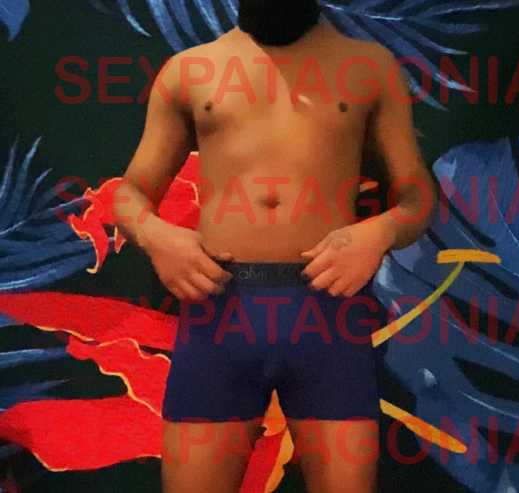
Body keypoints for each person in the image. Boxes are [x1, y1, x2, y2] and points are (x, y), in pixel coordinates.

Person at [113, 0, 436, 491]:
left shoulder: (369, 68)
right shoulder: (190, 71)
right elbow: (131, 191)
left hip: (328, 308)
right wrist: (157, 236)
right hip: (219, 309)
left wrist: (380, 232)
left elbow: (418, 196)